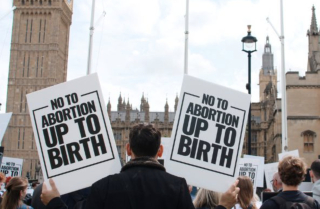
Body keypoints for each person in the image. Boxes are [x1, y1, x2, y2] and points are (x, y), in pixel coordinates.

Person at [41, 124, 241, 209]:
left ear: (128, 149)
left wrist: (54, 202)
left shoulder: (103, 187)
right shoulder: (177, 187)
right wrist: (223, 206)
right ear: (160, 151)